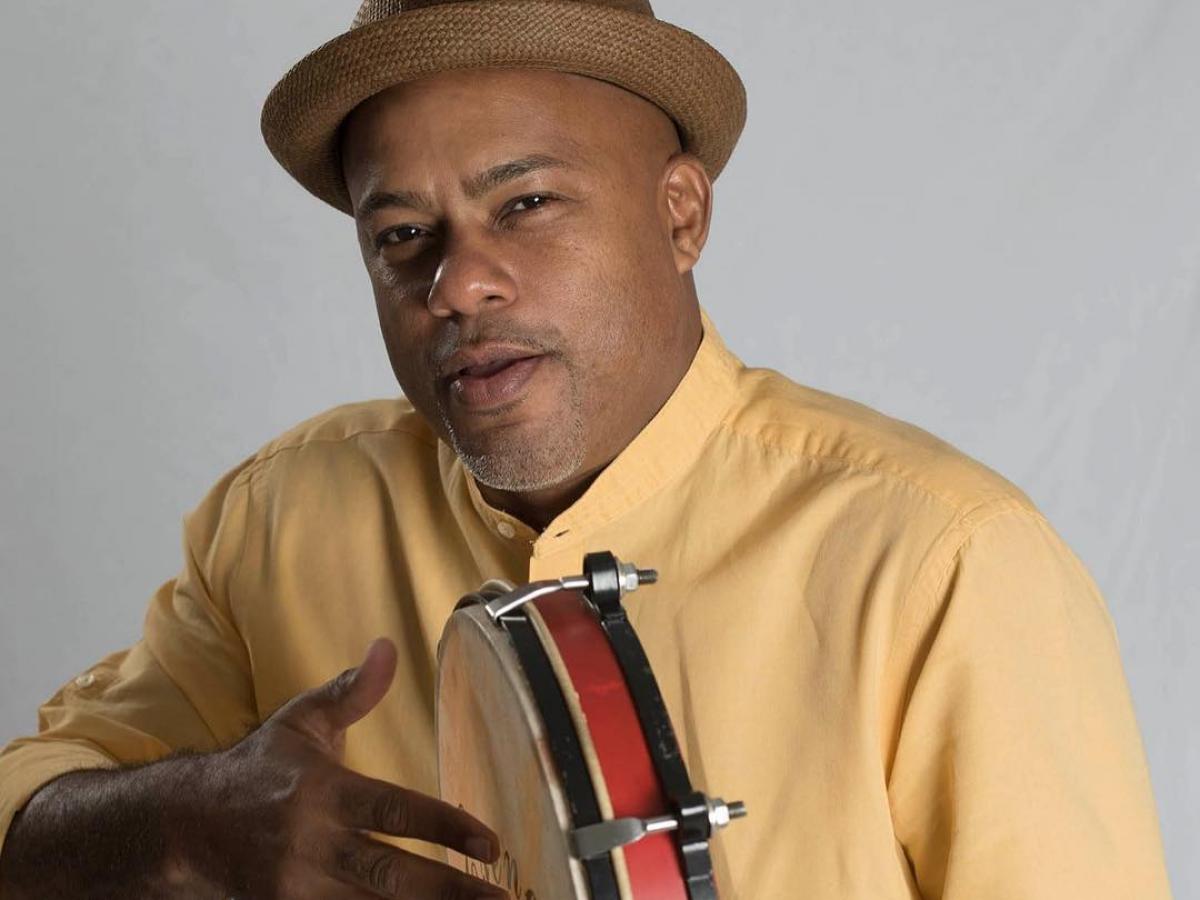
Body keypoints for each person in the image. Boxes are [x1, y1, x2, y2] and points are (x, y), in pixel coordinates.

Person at [0, 0, 1174, 897]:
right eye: (402, 235)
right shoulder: (284, 520)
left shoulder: (943, 563)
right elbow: (25, 814)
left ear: (681, 213)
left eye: (526, 205)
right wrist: (183, 824)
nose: (457, 283)